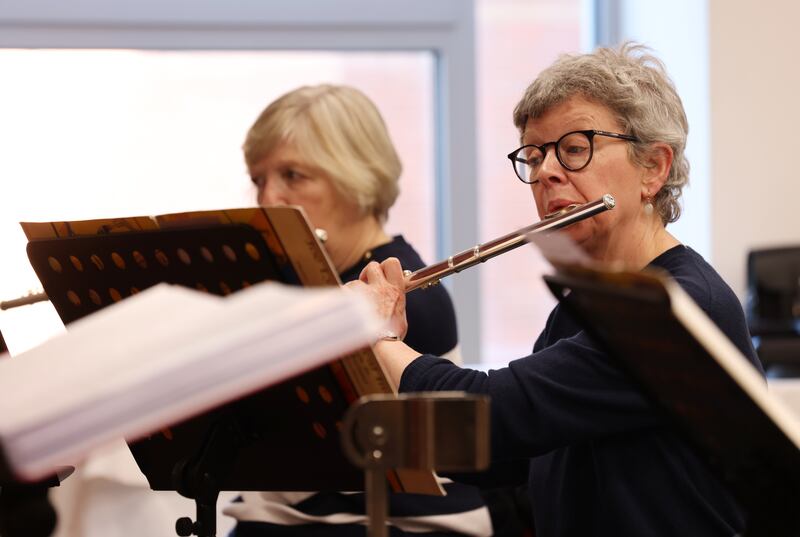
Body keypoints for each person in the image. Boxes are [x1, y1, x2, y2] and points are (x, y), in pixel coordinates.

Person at [348, 43, 764, 537]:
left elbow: (496, 414)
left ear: (653, 167)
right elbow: (508, 454)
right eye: (534, 154)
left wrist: (377, 338)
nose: (545, 171)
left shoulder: (681, 308)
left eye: (574, 148)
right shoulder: (585, 305)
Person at [223, 84, 492, 536]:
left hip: (395, 523)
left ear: (356, 179)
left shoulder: (405, 293)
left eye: (293, 176)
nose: (268, 200)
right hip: (294, 516)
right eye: (259, 180)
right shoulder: (297, 279)